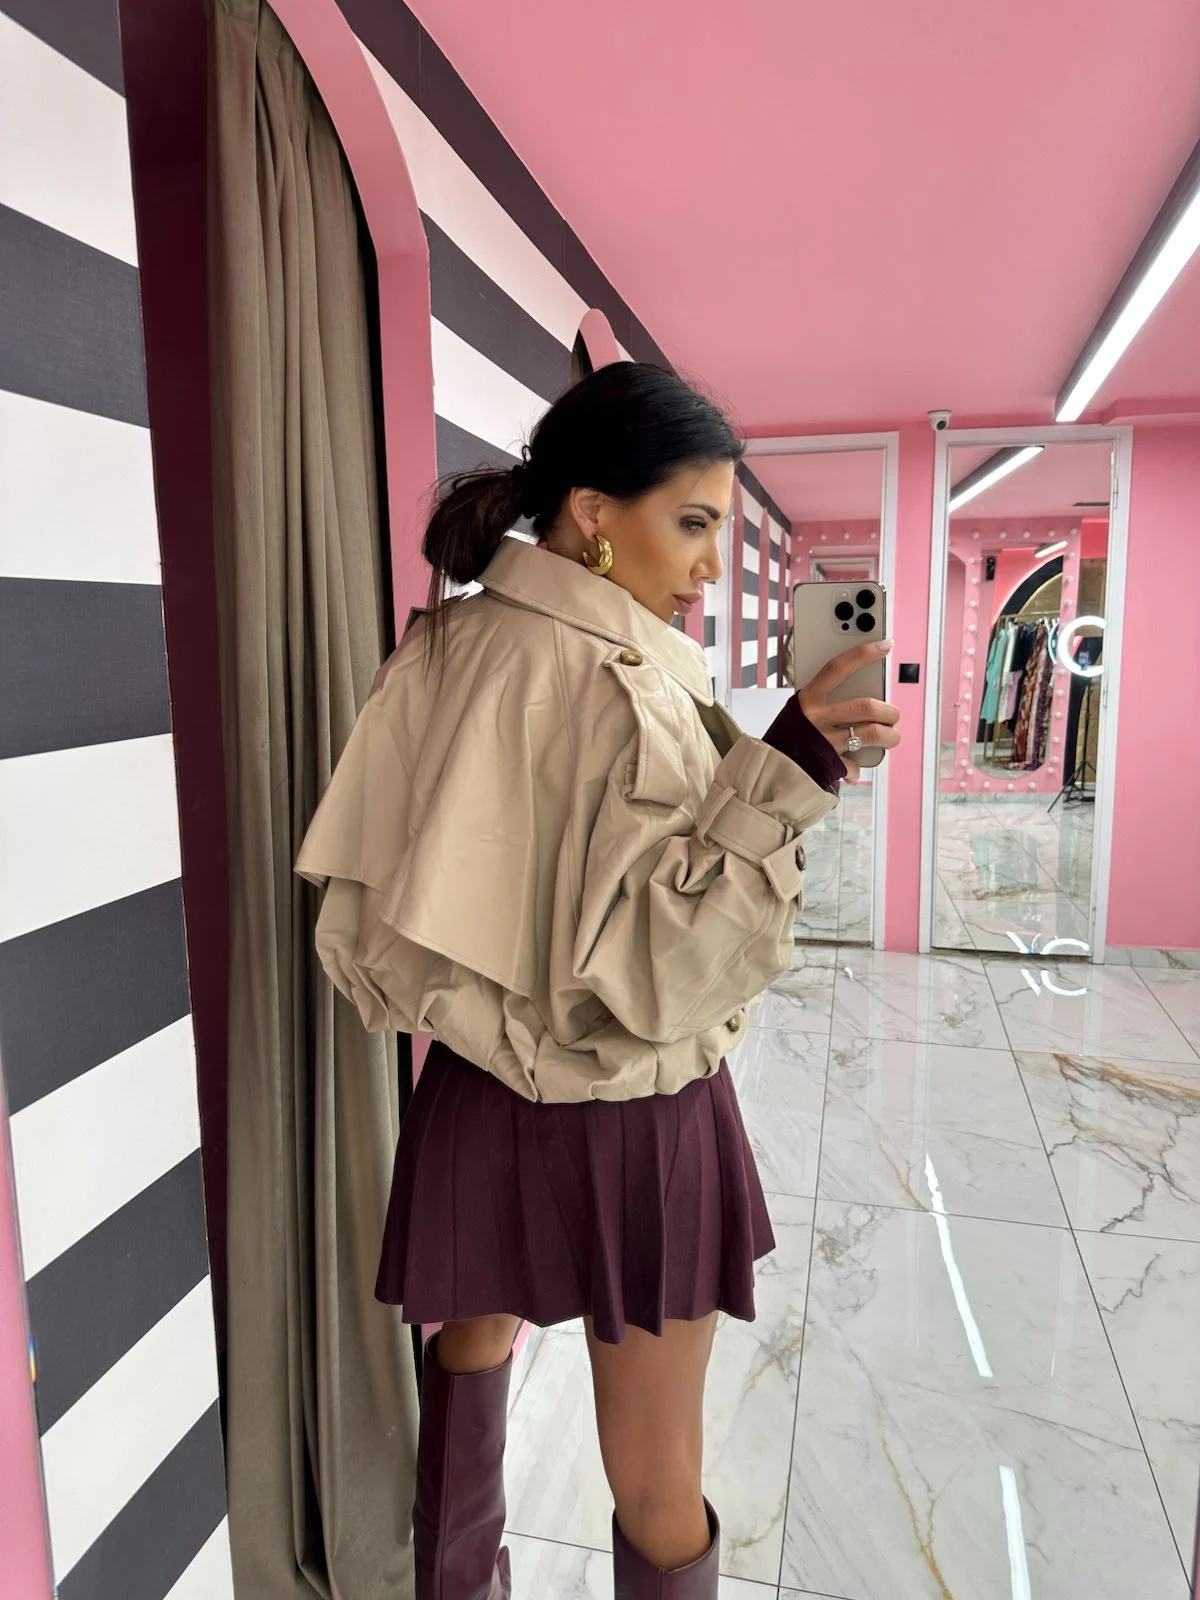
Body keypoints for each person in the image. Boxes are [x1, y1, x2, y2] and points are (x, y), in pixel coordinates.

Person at [296, 363, 900, 1598]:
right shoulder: (615, 678)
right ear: (591, 512)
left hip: (474, 1091)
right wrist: (793, 766)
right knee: (660, 1478)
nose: (708, 565)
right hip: (636, 1109)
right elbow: (657, 971)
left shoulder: (447, 643)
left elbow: (395, 897)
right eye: (692, 522)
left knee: (469, 1364)